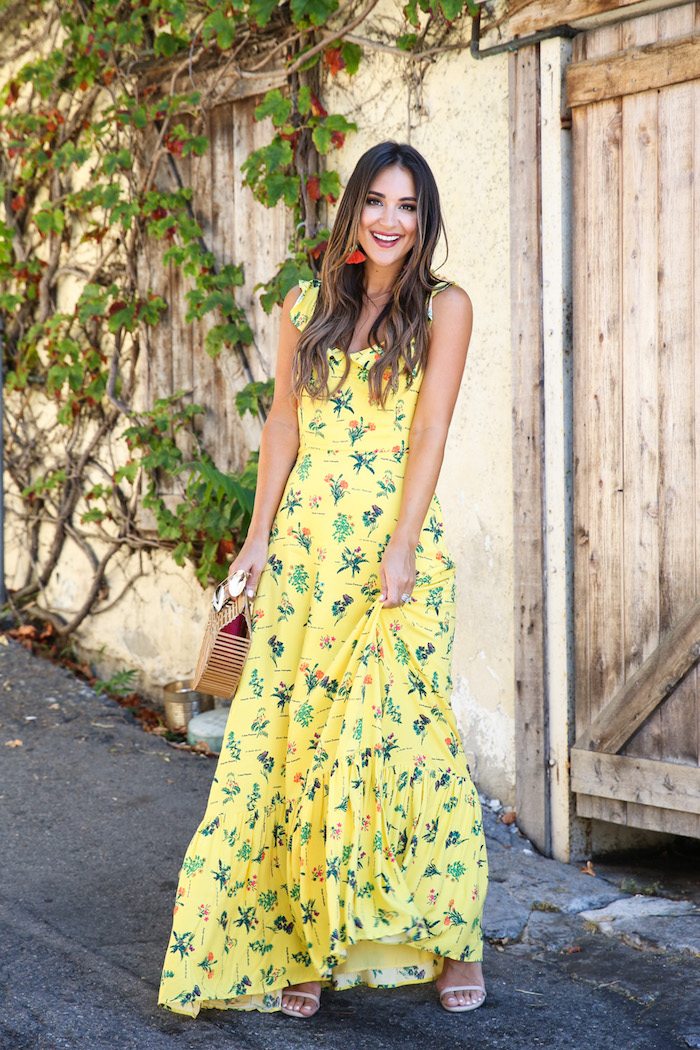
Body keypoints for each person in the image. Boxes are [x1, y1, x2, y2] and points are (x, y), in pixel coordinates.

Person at [158, 140, 488, 1020]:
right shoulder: (306, 302)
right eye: (377, 201)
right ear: (353, 209)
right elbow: (280, 425)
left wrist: (404, 543)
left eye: (408, 207)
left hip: (391, 552)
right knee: (299, 750)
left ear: (425, 221)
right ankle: (308, 942)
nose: (390, 220)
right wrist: (257, 536)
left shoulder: (444, 310)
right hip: (305, 552)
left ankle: (451, 938)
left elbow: (431, 436)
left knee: (408, 746)